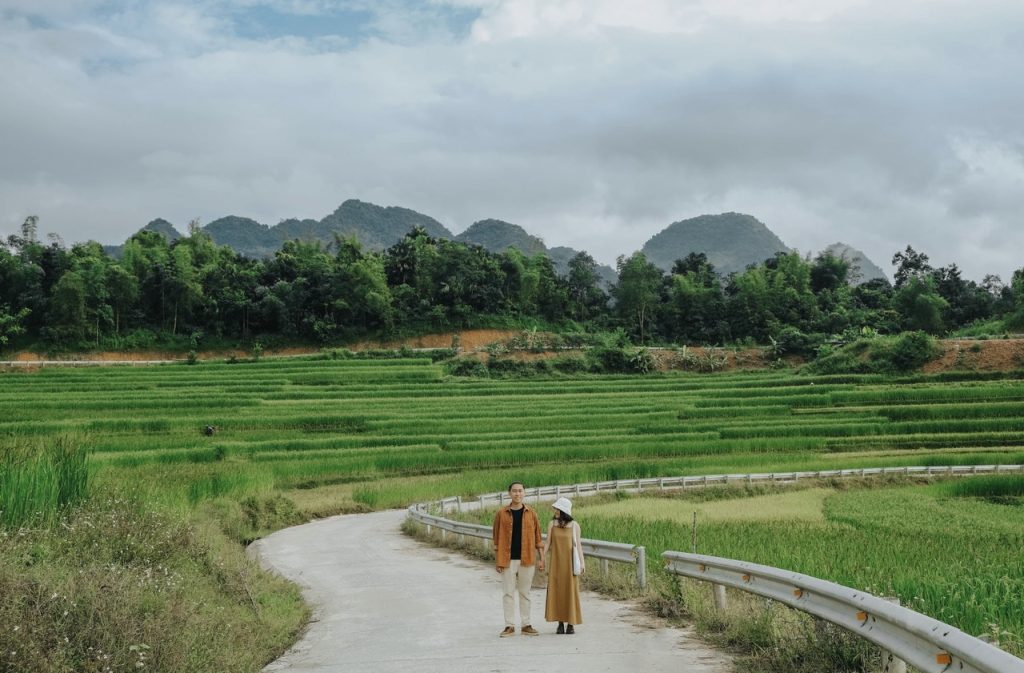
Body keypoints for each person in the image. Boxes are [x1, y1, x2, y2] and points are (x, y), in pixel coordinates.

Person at [492, 481, 544, 637]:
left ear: (524, 493)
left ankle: (526, 625)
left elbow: (538, 538)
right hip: (507, 559)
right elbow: (496, 538)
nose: (517, 494)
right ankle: (509, 626)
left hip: (527, 558)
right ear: (509, 493)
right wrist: (498, 560)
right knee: (508, 593)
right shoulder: (501, 514)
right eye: (514, 491)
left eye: (520, 491)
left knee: (525, 593)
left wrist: (542, 559)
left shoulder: (531, 513)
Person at [542, 496, 583, 634]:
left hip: (570, 563)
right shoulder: (552, 524)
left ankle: (571, 624)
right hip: (556, 563)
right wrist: (542, 557)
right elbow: (547, 543)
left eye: (557, 509)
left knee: (570, 591)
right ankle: (560, 623)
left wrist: (582, 563)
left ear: (563, 510)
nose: (554, 511)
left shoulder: (575, 525)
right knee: (557, 591)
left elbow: (578, 546)